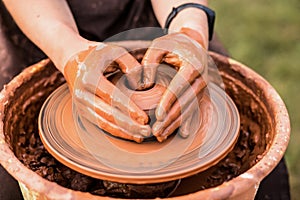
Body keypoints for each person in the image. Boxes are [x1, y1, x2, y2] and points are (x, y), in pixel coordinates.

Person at [0, 0, 290, 199]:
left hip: (155, 21)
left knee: (266, 175)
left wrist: (190, 30)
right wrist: (68, 50)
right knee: (8, 182)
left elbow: (187, 21)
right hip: (42, 27)